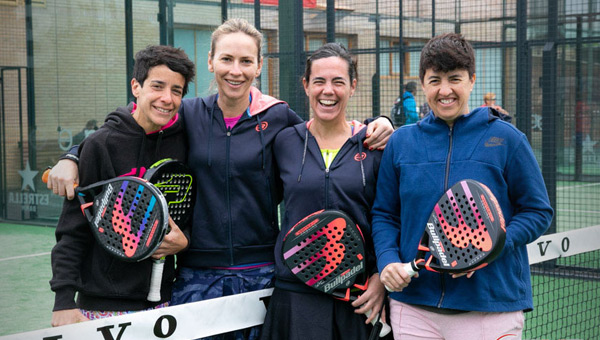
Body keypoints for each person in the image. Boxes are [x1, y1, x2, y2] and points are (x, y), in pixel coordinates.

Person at [45, 18, 393, 339]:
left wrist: (379, 124)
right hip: (197, 273)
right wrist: (75, 154)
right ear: (211, 62)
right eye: (226, 59)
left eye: (246, 61)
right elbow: (134, 123)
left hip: (262, 274)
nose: (235, 71)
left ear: (259, 66)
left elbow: (326, 127)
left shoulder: (278, 118)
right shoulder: (189, 113)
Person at [371, 33, 553, 340]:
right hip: (413, 309)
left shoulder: (507, 139)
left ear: (471, 80)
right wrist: (388, 260)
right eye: (434, 80)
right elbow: (385, 214)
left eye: (454, 79)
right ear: (423, 82)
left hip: (489, 307)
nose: (445, 91)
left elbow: (537, 211)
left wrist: (490, 247)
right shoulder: (401, 142)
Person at [49, 45, 195, 327]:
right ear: (136, 87)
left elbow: (185, 215)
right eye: (157, 86)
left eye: (176, 91)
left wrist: (184, 240)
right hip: (100, 305)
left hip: (163, 302)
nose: (167, 98)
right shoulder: (99, 145)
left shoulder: (185, 140)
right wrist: (63, 300)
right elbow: (72, 231)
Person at [260, 43, 386, 340]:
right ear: (306, 85)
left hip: (357, 295)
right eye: (319, 81)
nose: (328, 90)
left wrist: (380, 279)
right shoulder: (284, 141)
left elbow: (388, 216)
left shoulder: (375, 145)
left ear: (353, 86)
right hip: (296, 293)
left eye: (338, 82)